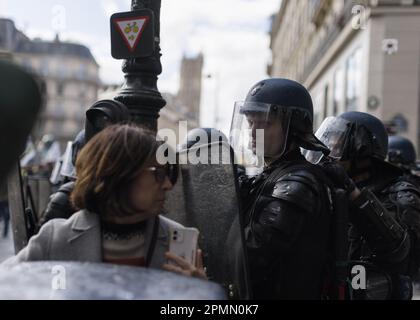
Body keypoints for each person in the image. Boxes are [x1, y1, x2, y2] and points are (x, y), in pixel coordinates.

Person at [5, 124, 206, 279]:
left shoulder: (178, 241)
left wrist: (201, 295)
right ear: (118, 174)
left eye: (168, 175)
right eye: (158, 174)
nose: (168, 185)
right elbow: (8, 283)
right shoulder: (55, 238)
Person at [230, 78, 334, 299]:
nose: (253, 131)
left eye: (265, 123)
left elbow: (251, 257)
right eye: (250, 123)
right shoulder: (271, 174)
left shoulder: (299, 182)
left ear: (293, 128)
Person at [307, 112, 420, 300]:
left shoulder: (401, 194)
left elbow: (404, 256)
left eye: (337, 144)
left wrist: (356, 196)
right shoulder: (332, 189)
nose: (329, 150)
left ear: (361, 149)